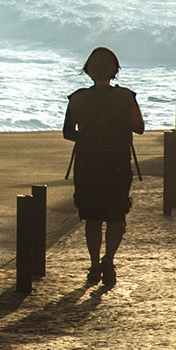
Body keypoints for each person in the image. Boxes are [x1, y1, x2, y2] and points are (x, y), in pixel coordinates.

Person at [63, 47, 145, 288]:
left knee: (93, 216)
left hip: (88, 163)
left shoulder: (78, 98)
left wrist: (88, 137)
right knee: (116, 214)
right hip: (117, 162)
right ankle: (109, 259)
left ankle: (94, 262)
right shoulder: (126, 97)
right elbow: (139, 127)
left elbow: (68, 133)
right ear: (115, 71)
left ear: (88, 71)